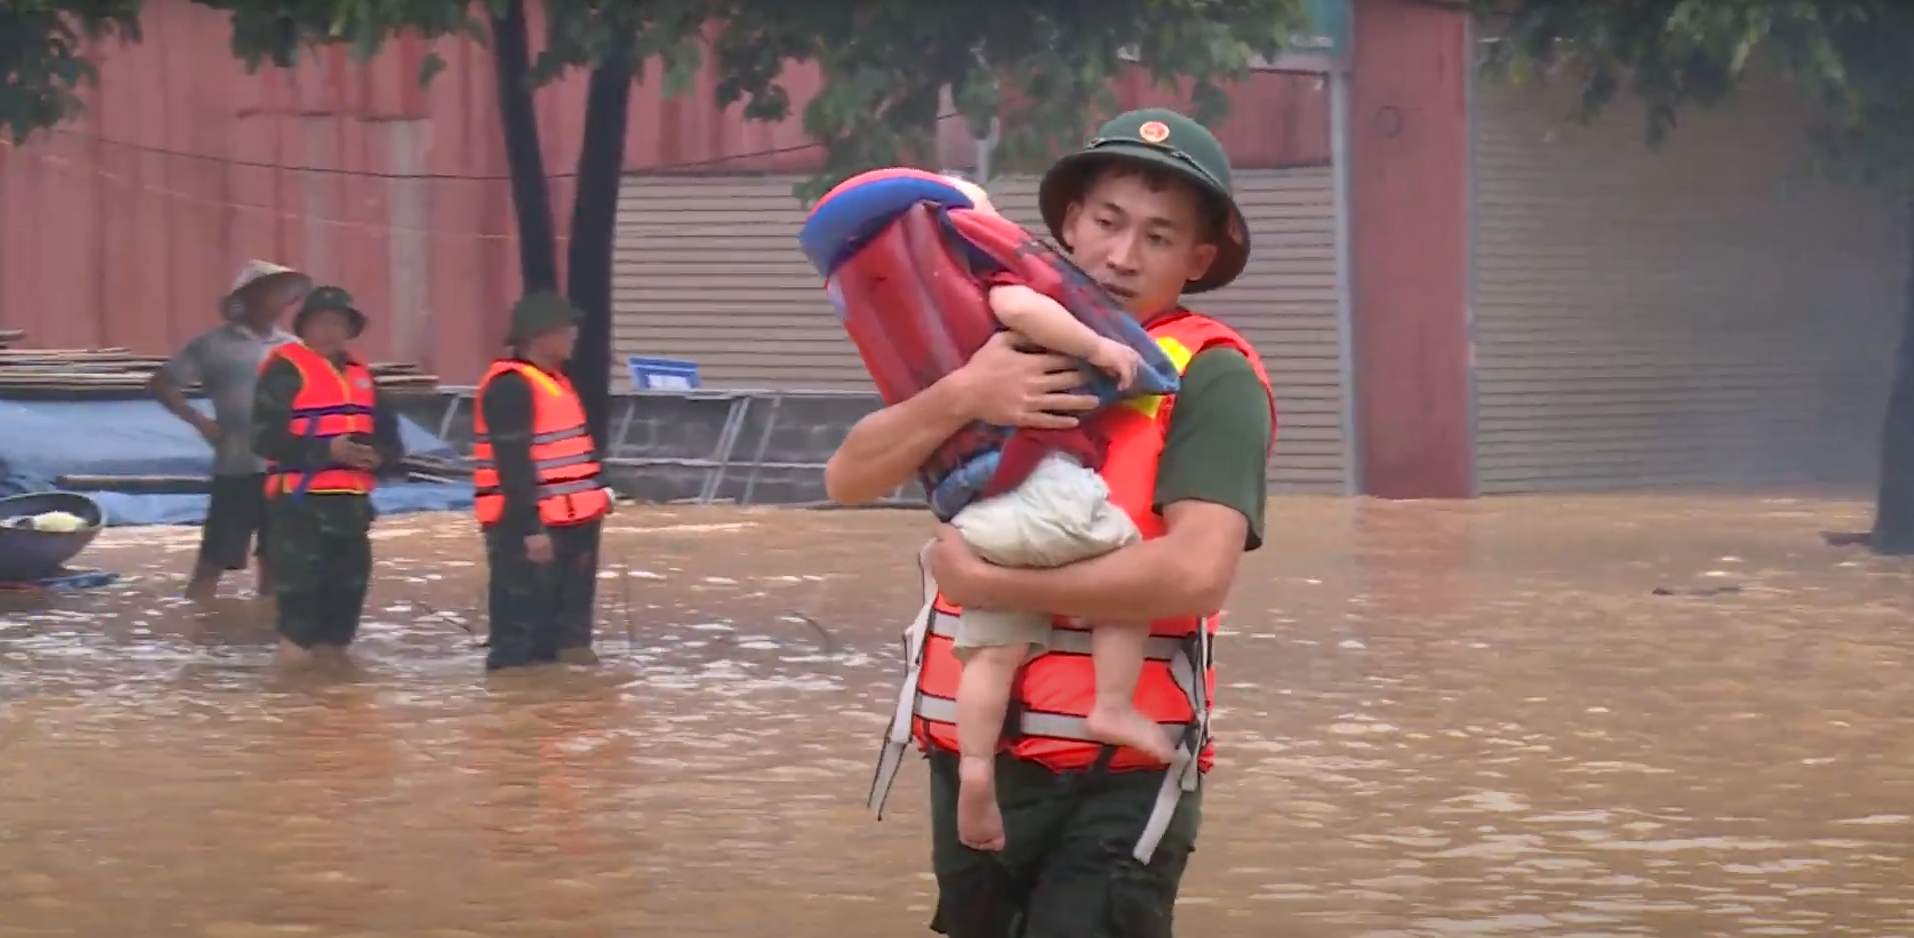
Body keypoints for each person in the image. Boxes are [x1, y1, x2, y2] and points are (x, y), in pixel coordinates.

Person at [845, 109, 1275, 938]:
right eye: (1107, 223)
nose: (1121, 255)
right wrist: (963, 396)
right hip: (975, 768)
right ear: (1070, 221)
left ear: (1198, 258)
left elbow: (1196, 574)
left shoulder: (1213, 378)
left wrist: (993, 583)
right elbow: (852, 476)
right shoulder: (995, 338)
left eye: (1157, 237)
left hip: (1114, 782)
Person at [898, 175, 1178, 853]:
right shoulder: (995, 281)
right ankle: (1111, 706)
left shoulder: (938, 325)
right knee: (1129, 578)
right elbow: (1023, 306)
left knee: (990, 656)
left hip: (981, 512)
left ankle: (973, 768)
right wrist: (1099, 347)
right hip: (1041, 489)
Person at [250, 286, 406, 666]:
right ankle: (295, 695)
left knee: (345, 605)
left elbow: (391, 438)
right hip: (300, 506)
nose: (332, 330)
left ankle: (331, 701)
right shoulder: (284, 368)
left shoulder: (360, 373)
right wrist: (326, 452)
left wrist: (378, 456)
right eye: (323, 322)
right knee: (300, 609)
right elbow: (263, 438)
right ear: (305, 326)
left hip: (352, 508)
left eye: (339, 323)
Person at [150, 260, 311, 601]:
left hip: (286, 469)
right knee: (212, 563)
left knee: (277, 563)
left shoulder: (296, 348)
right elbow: (163, 383)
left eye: (282, 294)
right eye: (270, 292)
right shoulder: (212, 344)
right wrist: (200, 420)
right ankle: (197, 638)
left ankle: (264, 637)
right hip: (237, 466)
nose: (278, 300)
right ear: (248, 297)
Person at [470, 292, 612, 671]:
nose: (574, 335)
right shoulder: (510, 387)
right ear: (537, 335)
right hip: (530, 528)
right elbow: (513, 465)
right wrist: (530, 528)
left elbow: (566, 455)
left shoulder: (556, 382)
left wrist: (597, 496)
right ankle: (516, 714)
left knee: (566, 642)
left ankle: (557, 717)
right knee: (519, 641)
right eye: (565, 329)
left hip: (574, 525)